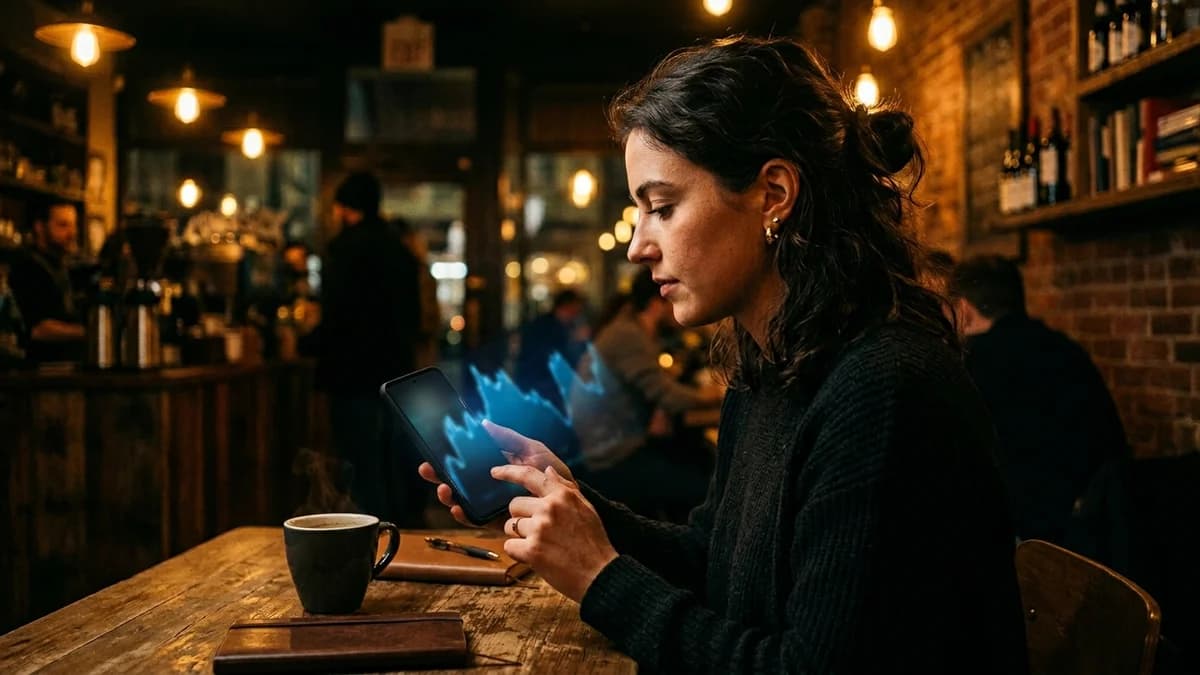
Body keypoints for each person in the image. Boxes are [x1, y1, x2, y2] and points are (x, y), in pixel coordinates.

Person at [419, 36, 1028, 673]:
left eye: (661, 207)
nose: (638, 247)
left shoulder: (884, 391)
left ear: (773, 195)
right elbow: (713, 562)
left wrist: (601, 577)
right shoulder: (770, 366)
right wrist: (573, 506)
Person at [948, 254, 1129, 545]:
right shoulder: (1066, 349)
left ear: (965, 310)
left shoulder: (971, 363)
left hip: (1021, 535)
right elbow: (1112, 444)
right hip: (1093, 528)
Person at [569, 267, 723, 517]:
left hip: (615, 446)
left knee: (696, 458)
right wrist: (718, 395)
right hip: (611, 458)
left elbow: (658, 390)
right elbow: (670, 397)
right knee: (707, 490)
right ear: (657, 303)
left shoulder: (631, 329)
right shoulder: (627, 335)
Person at [314, 171, 423, 525]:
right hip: (396, 374)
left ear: (345, 209)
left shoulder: (344, 251)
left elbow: (335, 318)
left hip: (353, 375)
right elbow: (413, 317)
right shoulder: (400, 252)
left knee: (362, 467)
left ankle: (372, 546)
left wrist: (308, 342)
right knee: (393, 465)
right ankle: (402, 541)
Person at [8, 200, 85, 360]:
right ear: (40, 228)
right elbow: (38, 329)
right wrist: (90, 332)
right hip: (38, 372)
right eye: (63, 225)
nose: (72, 233)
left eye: (74, 225)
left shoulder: (63, 266)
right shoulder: (27, 268)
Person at [513, 288, 588, 411]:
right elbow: (552, 359)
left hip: (543, 386)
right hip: (542, 387)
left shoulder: (558, 326)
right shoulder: (545, 328)